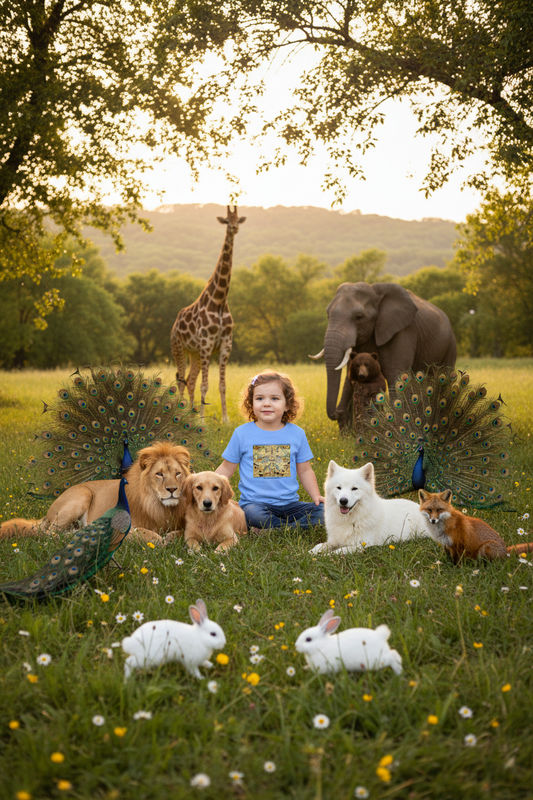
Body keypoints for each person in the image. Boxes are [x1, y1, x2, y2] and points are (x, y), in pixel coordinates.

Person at [216, 370, 325, 531]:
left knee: (325, 511)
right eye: (260, 398)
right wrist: (208, 484)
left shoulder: (297, 434)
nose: (267, 403)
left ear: (287, 404)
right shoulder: (242, 433)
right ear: (251, 403)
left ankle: (277, 529)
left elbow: (305, 470)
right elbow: (226, 468)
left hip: (290, 505)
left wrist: (316, 496)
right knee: (253, 515)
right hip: (254, 505)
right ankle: (291, 528)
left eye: (274, 398)